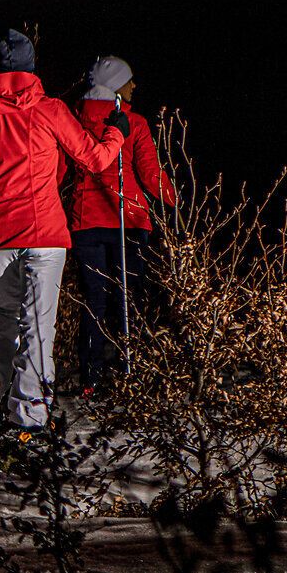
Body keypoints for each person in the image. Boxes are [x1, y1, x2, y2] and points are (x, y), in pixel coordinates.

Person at [0, 30, 126, 436]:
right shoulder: (51, 111)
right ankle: (29, 415)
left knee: (2, 313)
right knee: (37, 323)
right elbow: (95, 158)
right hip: (43, 232)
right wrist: (116, 131)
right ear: (32, 68)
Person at [66, 56, 175, 390]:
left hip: (86, 220)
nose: (134, 85)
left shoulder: (74, 121)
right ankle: (133, 371)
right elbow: (150, 174)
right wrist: (175, 201)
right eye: (129, 80)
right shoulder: (134, 123)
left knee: (93, 300)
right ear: (115, 86)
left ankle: (91, 377)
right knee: (131, 299)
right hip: (129, 218)